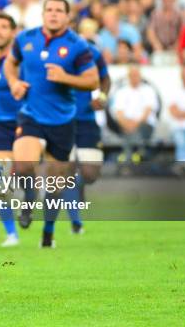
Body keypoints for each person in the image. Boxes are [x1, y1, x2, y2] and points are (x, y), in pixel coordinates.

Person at [3, 0, 99, 248]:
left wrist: (66, 77)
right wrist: (14, 82)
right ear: (43, 13)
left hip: (62, 121)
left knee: (56, 185)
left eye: (59, 10)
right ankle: (29, 198)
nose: (53, 14)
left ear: (67, 16)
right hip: (31, 114)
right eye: (49, 10)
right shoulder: (25, 39)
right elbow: (10, 64)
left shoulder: (77, 45)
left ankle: (48, 232)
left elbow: (92, 81)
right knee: (23, 165)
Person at [45, 41, 110, 238]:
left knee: (90, 173)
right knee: (64, 172)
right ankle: (74, 222)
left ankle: (73, 190)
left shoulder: (92, 52)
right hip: (62, 122)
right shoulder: (51, 54)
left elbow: (106, 79)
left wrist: (103, 97)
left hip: (87, 121)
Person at [0, 12, 22, 247]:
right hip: (1, 126)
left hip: (27, 124)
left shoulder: (22, 62)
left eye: (3, 27)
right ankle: (12, 234)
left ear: (13, 32)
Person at [113, 65, 158, 164]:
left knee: (135, 132)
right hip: (126, 125)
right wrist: (127, 124)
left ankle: (127, 157)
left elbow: (148, 111)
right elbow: (119, 113)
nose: (134, 77)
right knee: (128, 131)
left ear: (140, 76)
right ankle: (136, 156)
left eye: (136, 75)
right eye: (132, 75)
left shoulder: (148, 90)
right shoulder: (122, 92)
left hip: (145, 124)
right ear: (128, 76)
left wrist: (134, 124)